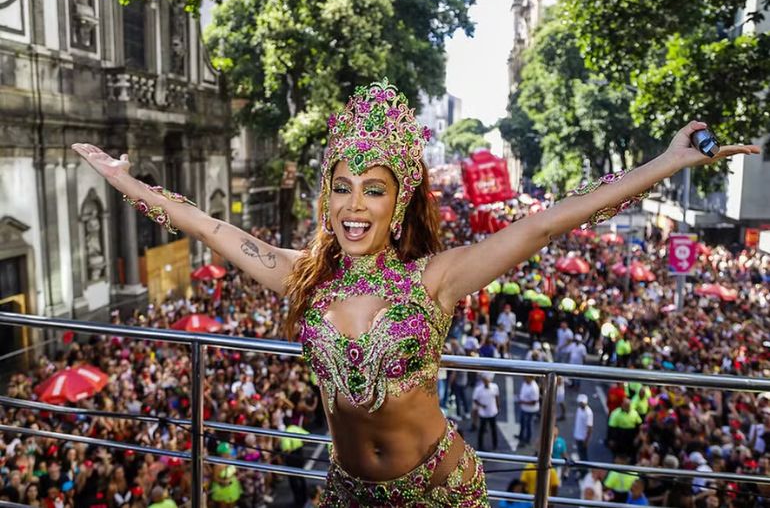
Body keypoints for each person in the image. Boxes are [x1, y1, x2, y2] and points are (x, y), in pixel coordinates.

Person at [73, 78, 758, 506]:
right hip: (346, 490)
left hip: (440, 489)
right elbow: (210, 225)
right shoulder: (300, 275)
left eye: (373, 188)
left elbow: (550, 220)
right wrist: (126, 182)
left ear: (398, 203)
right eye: (342, 186)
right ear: (325, 195)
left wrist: (668, 161)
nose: (354, 204)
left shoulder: (439, 277)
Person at [473, 372, 500, 451]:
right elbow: (475, 400)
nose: (486, 382)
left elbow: (497, 397)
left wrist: (498, 406)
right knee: (481, 431)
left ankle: (495, 445)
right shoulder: (478, 389)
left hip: (492, 412)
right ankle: (480, 446)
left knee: (493, 430)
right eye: (485, 380)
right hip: (483, 414)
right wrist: (481, 405)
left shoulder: (495, 387)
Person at [518, 376, 540, 446]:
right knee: (522, 423)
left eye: (526, 377)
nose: (524, 378)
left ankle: (527, 439)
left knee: (528, 425)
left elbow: (534, 402)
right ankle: (521, 436)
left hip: (530, 410)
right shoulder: (525, 383)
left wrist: (523, 402)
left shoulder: (534, 388)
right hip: (524, 408)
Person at [573, 393, 594, 464]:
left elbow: (590, 428)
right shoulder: (579, 409)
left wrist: (586, 441)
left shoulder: (588, 413)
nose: (581, 404)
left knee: (583, 455)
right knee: (580, 453)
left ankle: (584, 469)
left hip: (583, 438)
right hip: (578, 436)